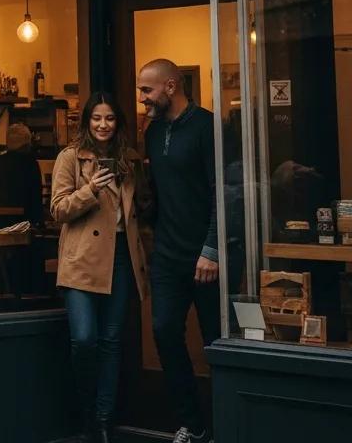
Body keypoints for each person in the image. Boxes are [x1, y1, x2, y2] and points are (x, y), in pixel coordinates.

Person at [51, 92, 150, 443]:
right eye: (96, 119)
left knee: (111, 340)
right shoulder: (71, 158)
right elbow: (58, 210)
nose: (103, 125)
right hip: (82, 259)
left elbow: (143, 208)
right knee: (84, 339)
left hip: (122, 256)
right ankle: (85, 415)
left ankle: (104, 421)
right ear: (86, 122)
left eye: (109, 119)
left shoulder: (130, 159)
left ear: (118, 123)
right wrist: (90, 189)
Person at [138, 59, 219, 443]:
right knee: (164, 332)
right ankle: (194, 423)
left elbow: (226, 191)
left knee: (216, 342)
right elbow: (156, 193)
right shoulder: (152, 132)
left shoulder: (208, 126)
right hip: (168, 255)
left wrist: (213, 247)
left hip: (206, 257)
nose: (142, 99)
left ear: (171, 86)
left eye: (146, 90)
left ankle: (227, 421)